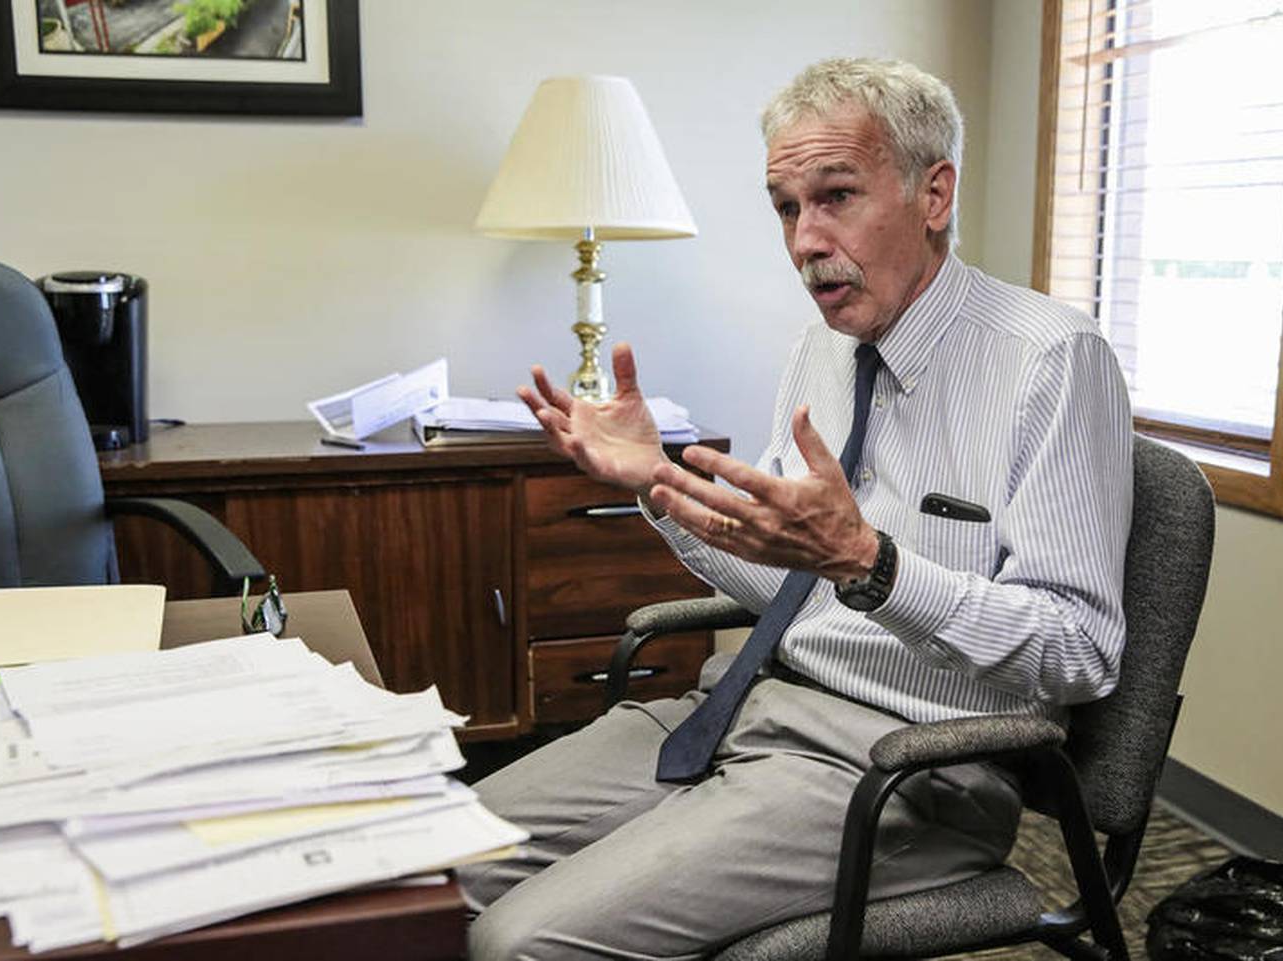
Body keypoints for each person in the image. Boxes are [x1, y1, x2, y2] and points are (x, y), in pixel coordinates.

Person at [458, 57, 1133, 960]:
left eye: (836, 196)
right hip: (747, 702)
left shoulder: (1052, 361)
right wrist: (655, 481)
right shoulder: (822, 350)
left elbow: (1079, 652)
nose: (805, 240)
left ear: (934, 194)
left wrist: (873, 563)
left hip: (907, 769)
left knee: (518, 943)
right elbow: (786, 577)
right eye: (785, 206)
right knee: (429, 863)